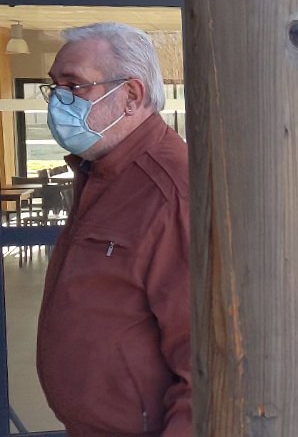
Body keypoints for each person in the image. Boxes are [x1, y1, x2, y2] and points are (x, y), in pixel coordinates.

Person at [36, 23, 190, 436]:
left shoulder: (170, 191)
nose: (58, 100)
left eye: (74, 86)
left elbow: (203, 362)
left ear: (132, 96)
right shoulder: (102, 171)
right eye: (54, 87)